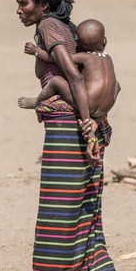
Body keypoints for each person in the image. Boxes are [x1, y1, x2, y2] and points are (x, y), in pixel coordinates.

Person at [14, 0, 135, 271]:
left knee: (59, 220)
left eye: (24, 3)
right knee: (83, 216)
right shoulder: (62, 27)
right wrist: (95, 123)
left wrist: (85, 122)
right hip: (80, 129)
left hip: (69, 133)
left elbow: (75, 78)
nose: (19, 10)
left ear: (44, 4)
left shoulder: (50, 28)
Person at [17, 18, 121, 164]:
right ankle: (97, 118)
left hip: (87, 102)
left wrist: (36, 51)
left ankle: (37, 101)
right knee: (116, 84)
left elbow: (59, 59)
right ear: (105, 41)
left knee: (56, 81)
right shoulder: (108, 59)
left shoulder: (85, 57)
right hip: (106, 105)